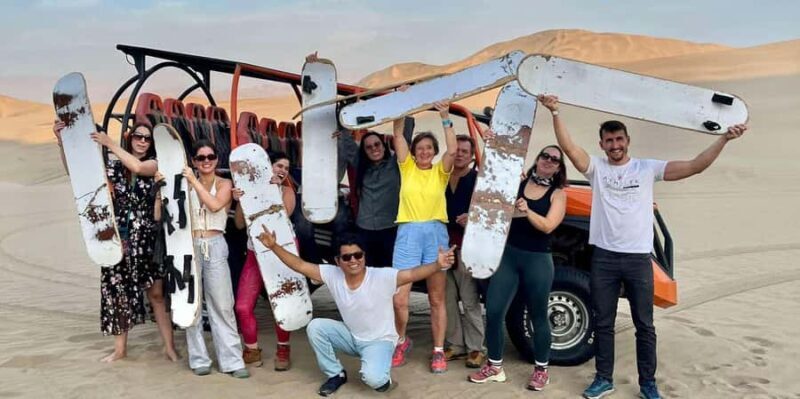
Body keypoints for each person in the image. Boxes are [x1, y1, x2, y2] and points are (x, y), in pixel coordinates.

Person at [537, 94, 748, 399]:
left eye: (619, 139)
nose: (614, 145)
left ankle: (648, 383)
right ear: (602, 144)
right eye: (608, 140)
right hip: (605, 259)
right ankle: (603, 379)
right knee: (604, 323)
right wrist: (555, 111)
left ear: (627, 140)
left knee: (644, 326)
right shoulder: (597, 169)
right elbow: (569, 148)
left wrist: (724, 140)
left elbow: (694, 166)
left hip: (638, 260)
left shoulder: (647, 169)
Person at [257, 225, 456, 397]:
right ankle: (336, 374)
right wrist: (274, 246)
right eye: (347, 257)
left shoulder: (381, 276)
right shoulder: (332, 274)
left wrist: (437, 265)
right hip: (352, 336)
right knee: (316, 327)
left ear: (364, 257)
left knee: (375, 380)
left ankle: (383, 375)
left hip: (379, 341)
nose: (353, 260)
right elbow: (300, 265)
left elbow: (412, 273)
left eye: (358, 255)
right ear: (337, 261)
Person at [52, 120, 178, 363]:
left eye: (147, 138)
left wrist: (110, 144)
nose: (142, 141)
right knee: (117, 294)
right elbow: (78, 174)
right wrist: (61, 142)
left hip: (147, 240)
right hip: (117, 239)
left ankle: (169, 347)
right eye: (137, 137)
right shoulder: (111, 166)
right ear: (130, 138)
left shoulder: (155, 164)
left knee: (156, 295)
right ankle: (120, 349)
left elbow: (139, 168)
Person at [468, 136, 567, 392]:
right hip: (509, 256)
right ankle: (495, 366)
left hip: (538, 260)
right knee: (495, 310)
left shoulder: (558, 195)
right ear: (537, 159)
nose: (548, 161)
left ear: (558, 168)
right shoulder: (519, 183)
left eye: (554, 160)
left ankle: (541, 370)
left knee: (538, 315)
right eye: (545, 156)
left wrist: (527, 210)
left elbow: (548, 226)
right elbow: (497, 197)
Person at [391, 101, 457, 373]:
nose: (425, 152)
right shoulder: (406, 168)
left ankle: (438, 350)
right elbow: (397, 135)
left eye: (429, 148)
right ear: (414, 152)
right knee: (399, 298)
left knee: (436, 298)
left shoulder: (441, 173)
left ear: (434, 151)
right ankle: (400, 340)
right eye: (420, 148)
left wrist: (444, 116)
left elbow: (453, 149)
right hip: (408, 232)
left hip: (435, 234)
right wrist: (403, 106)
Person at [181, 139, 248, 378]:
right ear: (194, 161)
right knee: (192, 304)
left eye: (210, 157)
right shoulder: (186, 183)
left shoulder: (225, 183)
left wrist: (192, 182)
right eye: (201, 158)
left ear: (217, 160)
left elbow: (214, 205)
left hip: (215, 243)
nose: (206, 161)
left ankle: (232, 360)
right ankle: (199, 358)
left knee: (222, 304)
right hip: (189, 245)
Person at [232, 151, 295, 371]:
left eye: (285, 168)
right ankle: (251, 349)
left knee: (283, 301)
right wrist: (241, 201)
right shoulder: (247, 192)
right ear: (267, 166)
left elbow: (283, 216)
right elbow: (240, 224)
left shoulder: (286, 191)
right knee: (242, 306)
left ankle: (283, 348)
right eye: (278, 165)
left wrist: (271, 191)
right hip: (255, 252)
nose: (282, 170)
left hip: (281, 252)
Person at [443, 135, 485, 368]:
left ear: (471, 155)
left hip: (466, 247)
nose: (459, 154)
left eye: (464, 151)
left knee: (469, 300)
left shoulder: (477, 180)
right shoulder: (441, 176)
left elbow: (489, 212)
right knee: (446, 298)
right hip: (441, 246)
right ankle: (455, 345)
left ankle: (476, 348)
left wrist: (473, 218)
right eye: (456, 150)